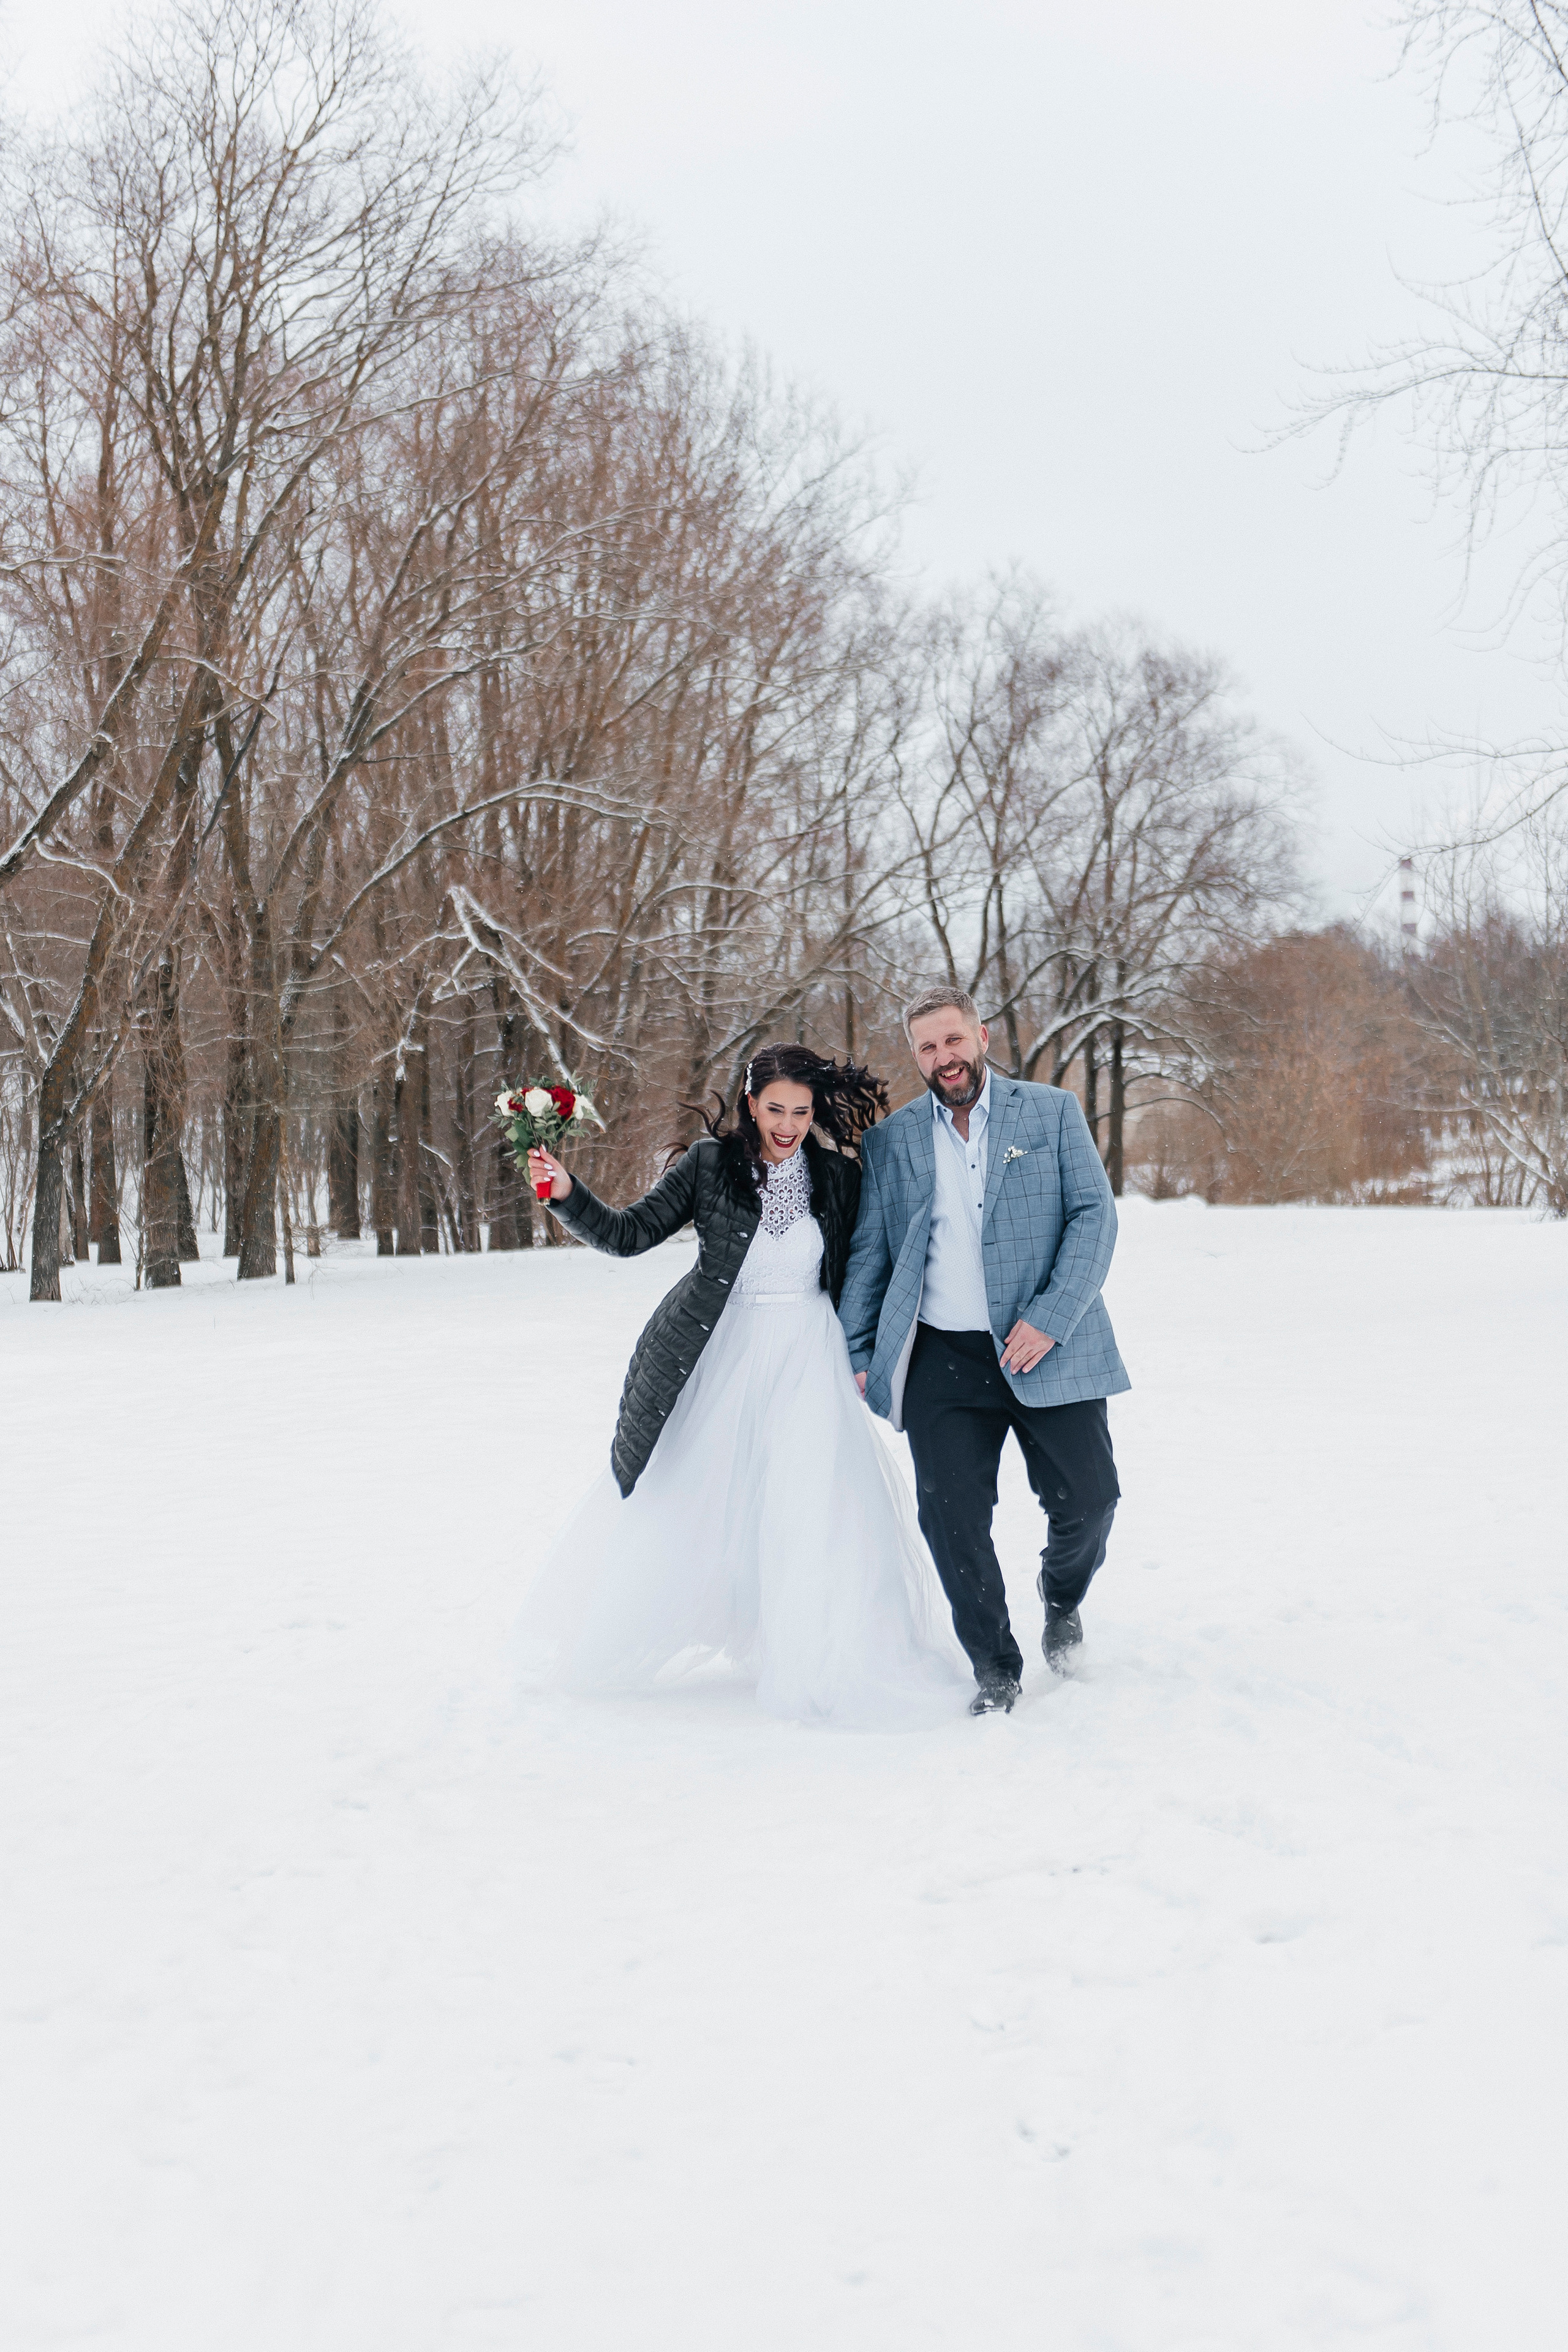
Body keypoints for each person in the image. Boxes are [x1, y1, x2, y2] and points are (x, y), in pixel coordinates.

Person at [515, 1044, 968, 1728]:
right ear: (751, 1104)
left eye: (801, 1111)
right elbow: (630, 1234)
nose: (787, 1124)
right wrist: (566, 1194)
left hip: (808, 1359)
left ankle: (819, 1659)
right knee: (689, 1493)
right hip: (721, 1353)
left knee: (813, 1509)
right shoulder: (708, 1166)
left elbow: (870, 1266)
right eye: (775, 1108)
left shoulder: (836, 1177)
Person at [837, 988, 1129, 1715]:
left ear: (981, 1035)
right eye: (927, 1048)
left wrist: (1051, 1318)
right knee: (949, 1515)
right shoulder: (893, 1141)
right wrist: (859, 1349)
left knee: (1090, 1501)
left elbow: (1094, 1218)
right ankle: (994, 1667)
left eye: (953, 1041)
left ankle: (1060, 1596)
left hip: (1046, 1347)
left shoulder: (1051, 1112)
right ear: (916, 1057)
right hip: (943, 1358)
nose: (944, 1058)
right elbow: (870, 1252)